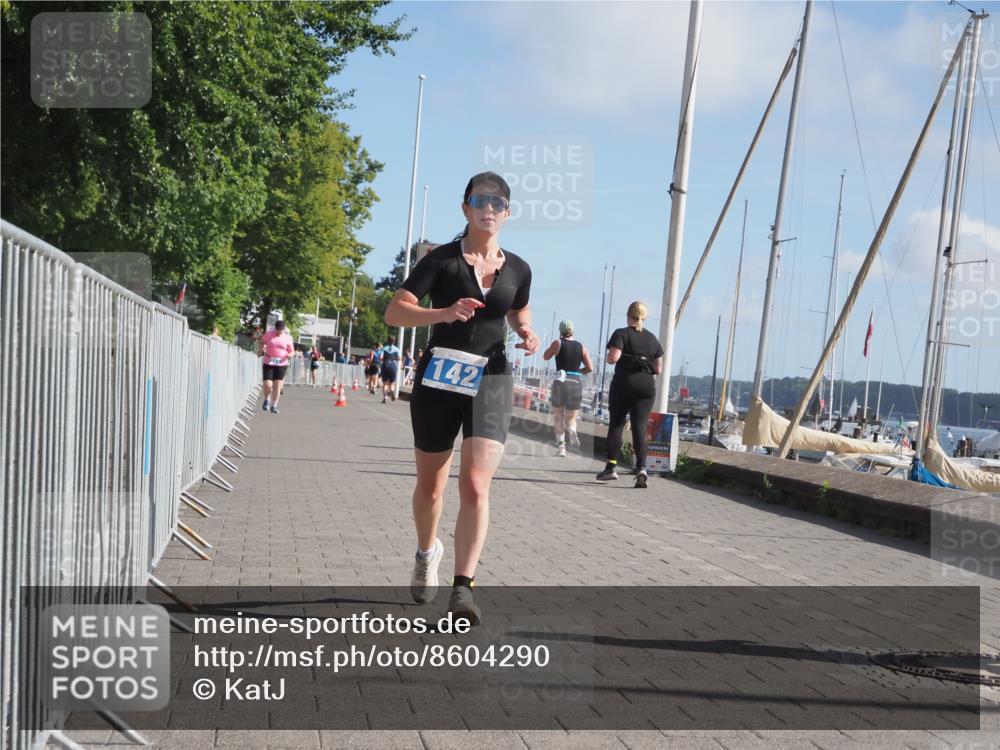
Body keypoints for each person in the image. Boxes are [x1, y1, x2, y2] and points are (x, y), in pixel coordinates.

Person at [385, 171, 536, 625]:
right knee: (431, 487)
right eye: (480, 200)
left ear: (507, 213)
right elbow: (395, 311)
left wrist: (525, 330)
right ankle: (426, 551)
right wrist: (444, 312)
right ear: (465, 208)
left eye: (498, 202)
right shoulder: (442, 261)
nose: (489, 208)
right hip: (440, 378)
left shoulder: (519, 269)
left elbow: (517, 308)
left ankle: (463, 590)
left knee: (475, 484)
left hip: (491, 378)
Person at [597, 301, 663, 488]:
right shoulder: (652, 339)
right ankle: (642, 468)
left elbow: (614, 358)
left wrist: (610, 357)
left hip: (625, 382)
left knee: (617, 424)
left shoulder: (621, 333)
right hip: (646, 386)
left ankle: (611, 467)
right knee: (640, 427)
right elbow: (658, 368)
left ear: (628, 315)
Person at [542, 320, 593, 457]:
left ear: (560, 331)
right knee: (571, 418)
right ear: (573, 331)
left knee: (558, 417)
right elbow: (590, 368)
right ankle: (571, 429)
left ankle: (561, 448)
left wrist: (554, 349)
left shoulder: (558, 343)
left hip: (561, 381)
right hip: (575, 382)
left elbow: (545, 356)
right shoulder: (582, 346)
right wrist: (578, 372)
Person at [259, 320, 295, 414]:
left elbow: (292, 351)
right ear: (276, 328)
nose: (280, 332)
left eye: (281, 330)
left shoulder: (287, 338)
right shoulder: (268, 334)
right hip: (269, 361)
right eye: (278, 330)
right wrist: (261, 349)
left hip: (282, 363)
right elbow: (262, 342)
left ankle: (274, 405)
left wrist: (290, 355)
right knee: (268, 384)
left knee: (278, 384)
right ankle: (266, 399)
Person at [381, 335, 402, 403]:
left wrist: (386, 358)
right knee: (392, 383)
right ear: (394, 341)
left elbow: (380, 358)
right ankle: (392, 391)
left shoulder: (384, 348)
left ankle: (385, 397)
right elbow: (399, 358)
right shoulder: (397, 349)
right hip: (393, 366)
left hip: (385, 365)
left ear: (388, 340)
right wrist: (393, 358)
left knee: (385, 383)